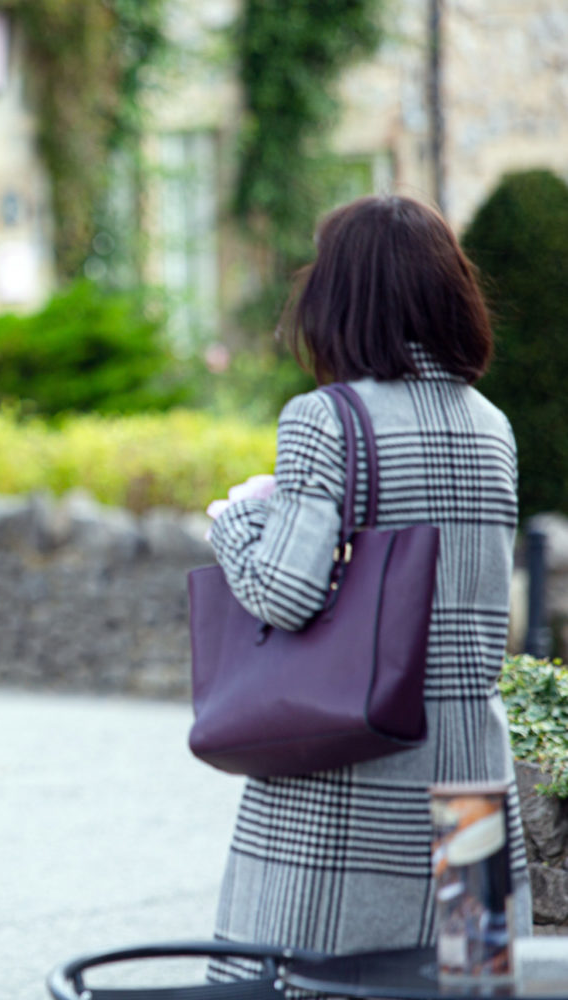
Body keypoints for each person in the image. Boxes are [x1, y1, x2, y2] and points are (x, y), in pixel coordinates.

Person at [203, 194, 530, 974]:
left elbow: (284, 593)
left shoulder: (324, 419)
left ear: (337, 298)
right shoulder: (490, 425)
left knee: (311, 983)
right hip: (470, 775)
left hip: (352, 777)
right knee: (463, 983)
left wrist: (236, 518)